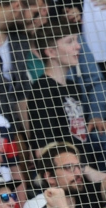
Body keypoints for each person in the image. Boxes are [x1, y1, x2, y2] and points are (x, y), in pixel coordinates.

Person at [27, 20, 89, 154]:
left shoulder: (74, 87)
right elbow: (42, 149)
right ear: (51, 52)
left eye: (77, 40)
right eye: (69, 41)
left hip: (83, 166)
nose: (78, 46)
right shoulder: (42, 89)